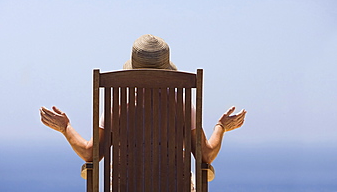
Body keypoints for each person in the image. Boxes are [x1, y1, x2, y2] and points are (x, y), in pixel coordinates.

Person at [40, 34, 247, 183]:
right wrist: (221, 126)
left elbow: (89, 153)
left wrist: (65, 127)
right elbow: (206, 156)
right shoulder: (182, 106)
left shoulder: (117, 107)